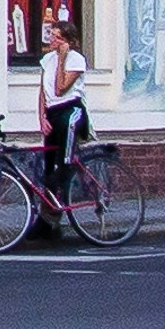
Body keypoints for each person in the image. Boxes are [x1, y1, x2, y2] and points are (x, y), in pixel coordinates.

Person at [35, 21, 95, 240]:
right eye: (51, 35)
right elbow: (44, 92)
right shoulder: (46, 60)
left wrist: (62, 58)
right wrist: (41, 117)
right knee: (49, 165)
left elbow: (61, 88)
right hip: (52, 113)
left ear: (68, 42)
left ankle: (65, 174)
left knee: (63, 162)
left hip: (70, 111)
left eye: (57, 37)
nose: (52, 40)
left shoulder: (76, 60)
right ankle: (48, 220)